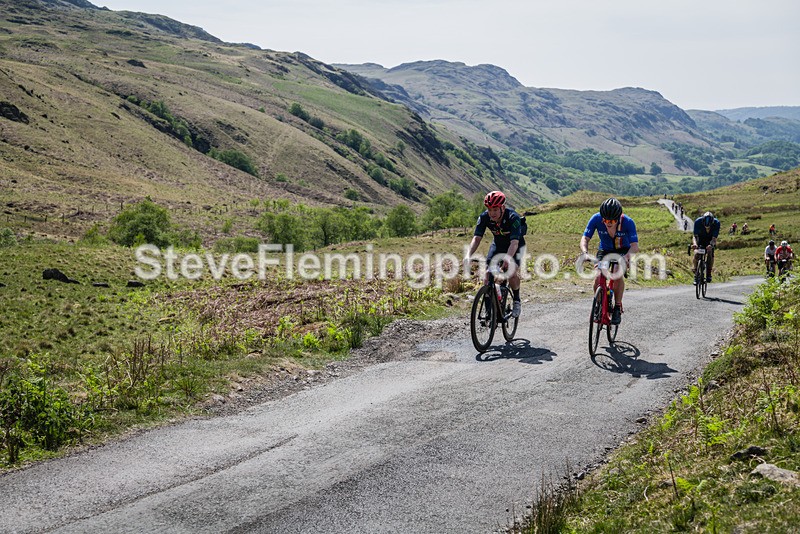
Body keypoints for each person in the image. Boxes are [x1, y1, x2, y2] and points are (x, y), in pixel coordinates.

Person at [465, 191, 526, 318]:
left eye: (495, 210)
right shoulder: (484, 217)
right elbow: (477, 238)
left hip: (515, 246)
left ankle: (516, 300)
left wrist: (508, 259)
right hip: (498, 245)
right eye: (489, 209)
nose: (491, 213)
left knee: (511, 272)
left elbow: (514, 243)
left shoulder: (513, 218)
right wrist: (468, 254)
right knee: (487, 274)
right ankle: (489, 312)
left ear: (502, 207)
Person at [579, 197, 639, 325]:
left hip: (622, 250)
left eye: (612, 220)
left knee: (617, 273)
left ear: (618, 217)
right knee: (598, 276)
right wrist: (585, 253)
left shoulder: (628, 222)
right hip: (605, 250)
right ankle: (600, 304)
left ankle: (617, 307)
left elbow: (635, 246)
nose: (608, 223)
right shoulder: (596, 218)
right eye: (605, 220)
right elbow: (585, 238)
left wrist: (627, 257)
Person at [692, 211, 720, 283]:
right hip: (700, 239)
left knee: (710, 252)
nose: (707, 228)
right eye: (705, 227)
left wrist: (711, 245)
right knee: (696, 254)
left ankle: (709, 273)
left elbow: (714, 239)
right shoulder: (698, 222)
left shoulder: (716, 223)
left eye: (709, 227)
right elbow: (695, 237)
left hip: (710, 240)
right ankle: (696, 274)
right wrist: (695, 244)